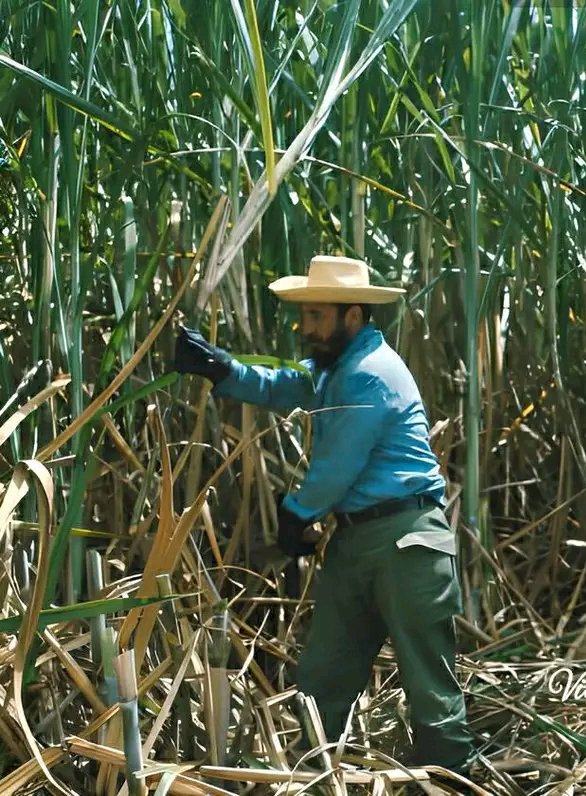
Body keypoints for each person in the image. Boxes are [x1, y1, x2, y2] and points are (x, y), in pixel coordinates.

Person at [174, 255, 476, 776]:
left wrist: (297, 513)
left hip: (407, 542)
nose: (304, 327)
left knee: (429, 687)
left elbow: (339, 462)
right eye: (305, 315)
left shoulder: (370, 375)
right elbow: (280, 387)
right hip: (357, 541)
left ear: (353, 317)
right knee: (322, 681)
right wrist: (221, 367)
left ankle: (455, 782)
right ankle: (311, 781)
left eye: (316, 316)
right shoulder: (337, 368)